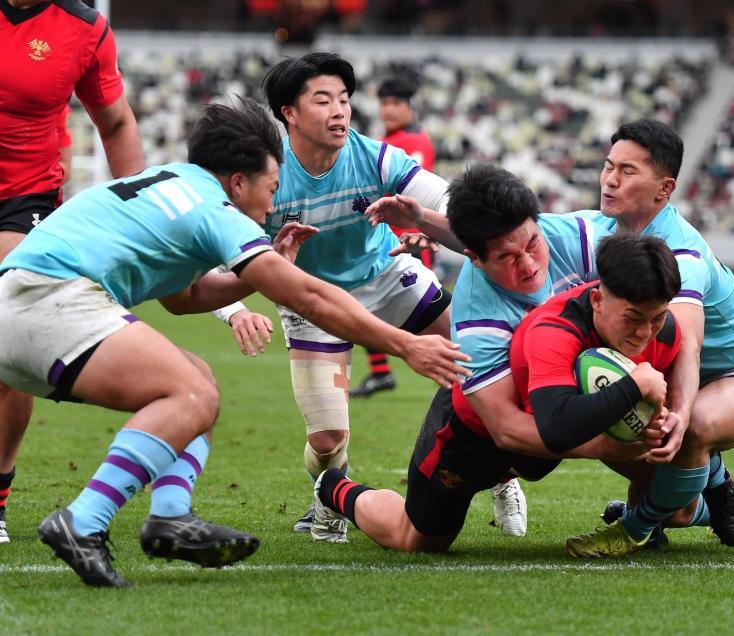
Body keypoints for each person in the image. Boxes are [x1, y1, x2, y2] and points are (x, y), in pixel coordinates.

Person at [0, 98, 469, 587]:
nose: (270, 206)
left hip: (21, 306)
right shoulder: (214, 208)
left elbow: (184, 297)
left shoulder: (172, 184)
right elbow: (311, 298)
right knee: (190, 393)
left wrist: (266, 270)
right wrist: (404, 344)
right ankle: (84, 519)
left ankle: (171, 516)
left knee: (198, 379)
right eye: (270, 188)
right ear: (238, 182)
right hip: (50, 301)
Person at [255, 53, 526, 541]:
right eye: (323, 100)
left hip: (386, 278)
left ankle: (502, 479)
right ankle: (328, 495)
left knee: (481, 367)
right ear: (288, 113)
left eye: (344, 99)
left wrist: (431, 222)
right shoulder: (265, 172)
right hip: (310, 299)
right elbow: (219, 243)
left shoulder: (375, 156)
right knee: (327, 438)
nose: (340, 111)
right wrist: (234, 310)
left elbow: (445, 198)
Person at [312, 229, 682, 553]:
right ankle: (333, 488)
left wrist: (671, 420)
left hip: (553, 422)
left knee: (674, 478)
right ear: (599, 301)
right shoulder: (553, 330)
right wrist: (634, 389)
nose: (645, 333)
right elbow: (555, 428)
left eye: (658, 318)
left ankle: (725, 511)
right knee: (417, 540)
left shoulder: (664, 326)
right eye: (634, 319)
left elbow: (690, 365)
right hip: (476, 433)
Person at [567, 119, 734, 555]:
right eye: (608, 166)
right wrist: (428, 222)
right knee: (678, 507)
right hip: (665, 377)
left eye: (627, 172)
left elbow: (686, 343)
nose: (610, 180)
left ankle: (635, 527)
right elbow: (517, 232)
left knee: (692, 426)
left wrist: (680, 414)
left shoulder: (681, 254)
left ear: (664, 189)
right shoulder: (595, 228)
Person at [0, 0, 145, 546]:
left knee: (5, 331)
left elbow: (115, 121)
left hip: (24, 198)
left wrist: (145, 207)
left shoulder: (84, 29)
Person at [351, 73, 439, 400]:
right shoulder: (390, 140)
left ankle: (459, 376)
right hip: (388, 239)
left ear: (410, 107)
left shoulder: (411, 142)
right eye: (384, 103)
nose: (388, 109)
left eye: (396, 103)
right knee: (361, 306)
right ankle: (380, 372)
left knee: (425, 314)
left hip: (410, 240)